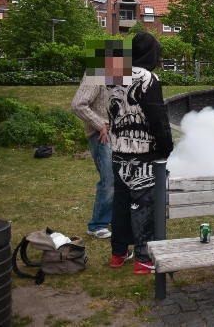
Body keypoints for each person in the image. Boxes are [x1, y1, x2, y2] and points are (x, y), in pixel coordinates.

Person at [107, 32, 173, 274]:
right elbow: (158, 117)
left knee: (121, 203)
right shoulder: (149, 78)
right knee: (144, 204)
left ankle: (118, 252)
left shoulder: (110, 73)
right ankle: (144, 258)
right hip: (143, 152)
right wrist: (166, 146)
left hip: (117, 151)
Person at [72, 63, 113, 240]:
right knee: (109, 180)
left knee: (117, 180)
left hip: (115, 136)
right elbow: (78, 104)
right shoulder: (96, 72)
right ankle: (98, 225)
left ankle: (110, 219)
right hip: (101, 137)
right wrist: (100, 124)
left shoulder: (116, 76)